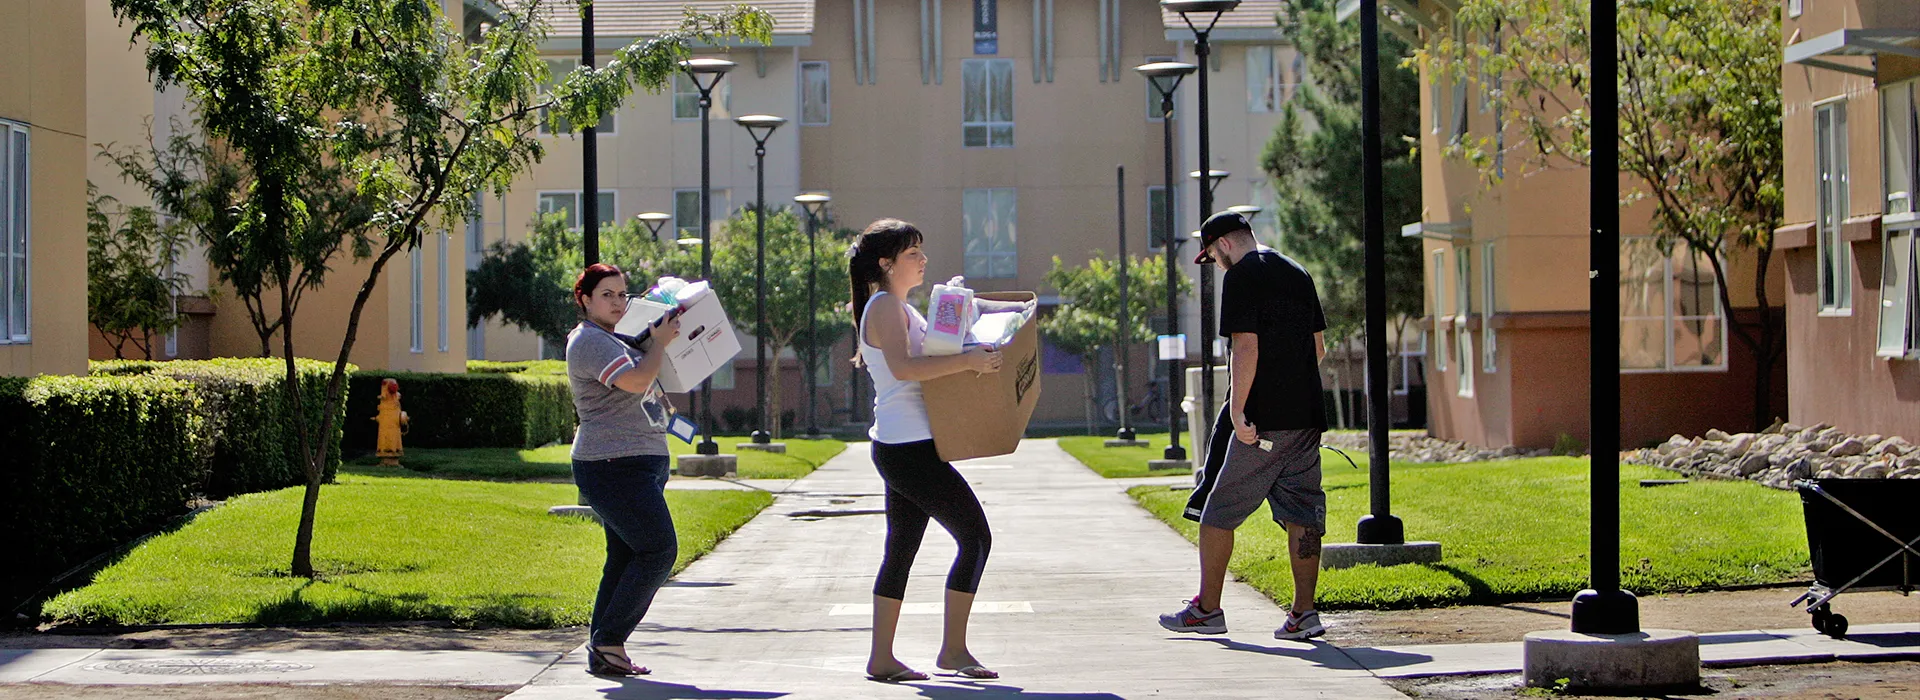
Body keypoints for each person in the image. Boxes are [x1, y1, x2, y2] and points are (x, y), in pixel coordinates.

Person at [848, 219, 1025, 682]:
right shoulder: (885, 306)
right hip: (908, 448)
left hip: (907, 443)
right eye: (913, 253)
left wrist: (965, 316)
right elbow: (905, 369)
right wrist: (967, 361)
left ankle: (883, 658)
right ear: (886, 263)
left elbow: (932, 354)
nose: (923, 259)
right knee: (976, 538)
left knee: (900, 552)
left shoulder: (898, 306)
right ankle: (953, 651)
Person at [1159, 210, 1330, 641]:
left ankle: (1207, 610)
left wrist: (1238, 412)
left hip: (1263, 422)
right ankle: (1304, 613)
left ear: (1224, 244)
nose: (1216, 265)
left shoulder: (1242, 276)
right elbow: (1319, 349)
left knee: (1217, 513)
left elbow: (1245, 346)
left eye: (1212, 256)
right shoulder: (1297, 272)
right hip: (1307, 418)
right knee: (1303, 513)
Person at [565, 262, 684, 676]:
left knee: (625, 556)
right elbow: (634, 382)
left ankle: (604, 650)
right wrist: (659, 345)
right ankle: (610, 641)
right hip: (612, 465)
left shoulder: (616, 339)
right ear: (585, 300)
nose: (617, 303)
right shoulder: (588, 341)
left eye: (621, 295)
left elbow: (647, 382)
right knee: (658, 550)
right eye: (606, 295)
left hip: (637, 462)